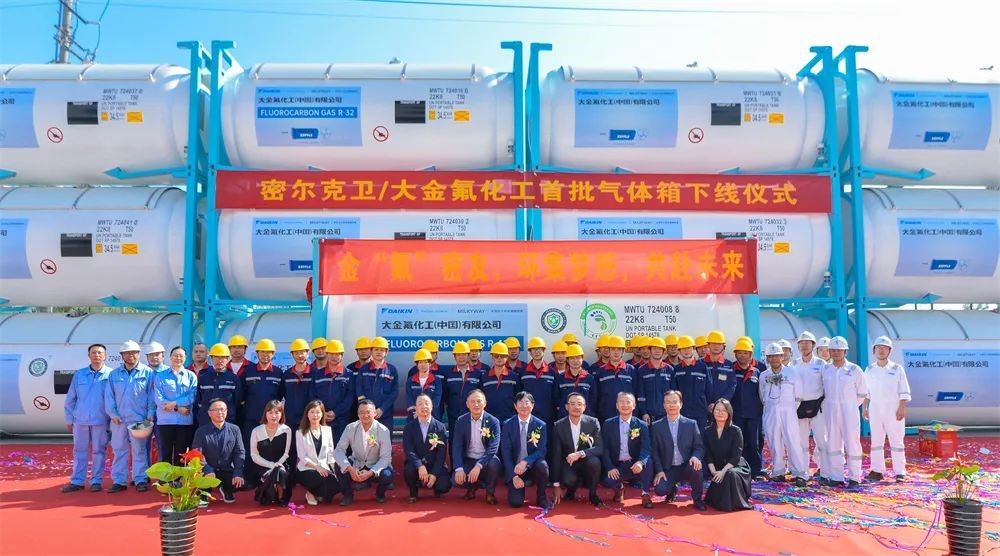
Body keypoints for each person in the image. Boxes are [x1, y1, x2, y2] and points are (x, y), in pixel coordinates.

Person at [105, 340, 156, 493]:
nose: (131, 355)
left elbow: (151, 395)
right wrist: (113, 414)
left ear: (139, 354)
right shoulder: (114, 374)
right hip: (119, 420)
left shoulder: (147, 373)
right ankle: (119, 481)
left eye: (134, 352)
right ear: (122, 355)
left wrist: (150, 414)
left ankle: (140, 479)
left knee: (139, 450)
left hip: (139, 419)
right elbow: (109, 396)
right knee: (119, 450)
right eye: (127, 353)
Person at [62, 343, 112, 493]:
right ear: (88, 355)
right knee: (79, 451)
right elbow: (71, 398)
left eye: (100, 353)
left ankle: (96, 481)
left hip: (101, 420)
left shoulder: (111, 375)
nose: (97, 355)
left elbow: (114, 400)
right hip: (80, 420)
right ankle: (77, 481)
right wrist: (69, 418)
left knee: (99, 452)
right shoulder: (80, 374)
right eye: (94, 352)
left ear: (105, 356)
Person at [759, 343, 808, 487]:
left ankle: (800, 473)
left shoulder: (792, 373)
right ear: (767, 358)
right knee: (774, 442)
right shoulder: (763, 375)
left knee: (793, 442)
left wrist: (789, 409)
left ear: (782, 356)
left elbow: (798, 396)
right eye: (771, 356)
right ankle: (778, 472)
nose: (774, 359)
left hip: (789, 412)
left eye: (777, 356)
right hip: (770, 413)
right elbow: (762, 396)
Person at [864, 336, 911, 483]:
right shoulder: (869, 369)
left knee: (897, 441)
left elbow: (904, 391)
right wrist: (865, 408)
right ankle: (877, 470)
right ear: (874, 350)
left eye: (884, 348)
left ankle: (900, 472)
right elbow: (866, 392)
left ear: (889, 351)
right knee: (876, 441)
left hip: (893, 410)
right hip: (875, 410)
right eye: (878, 347)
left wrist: (901, 408)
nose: (881, 350)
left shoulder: (897, 369)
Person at [822, 336, 868, 488]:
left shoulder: (854, 370)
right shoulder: (825, 369)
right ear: (829, 351)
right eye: (833, 350)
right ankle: (836, 477)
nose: (836, 353)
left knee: (852, 443)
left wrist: (850, 406)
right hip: (830, 411)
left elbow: (862, 392)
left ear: (845, 352)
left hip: (849, 412)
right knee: (833, 443)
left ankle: (855, 478)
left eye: (839, 350)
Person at [650, 390, 706, 510]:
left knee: (697, 466)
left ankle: (697, 499)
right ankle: (672, 489)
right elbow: (654, 452)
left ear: (681, 404)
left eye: (675, 402)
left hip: (687, 465)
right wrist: (659, 471)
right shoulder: (656, 426)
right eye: (668, 402)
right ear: (664, 405)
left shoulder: (691, 424)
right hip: (669, 468)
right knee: (660, 490)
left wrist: (695, 457)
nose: (671, 405)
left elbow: (699, 447)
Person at [334, 399, 394, 505]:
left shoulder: (383, 430)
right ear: (357, 414)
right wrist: (349, 468)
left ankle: (380, 493)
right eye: (361, 412)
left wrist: (371, 472)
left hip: (375, 464)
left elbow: (385, 458)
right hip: (357, 463)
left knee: (387, 475)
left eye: (368, 412)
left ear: (374, 413)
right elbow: (339, 450)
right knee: (339, 466)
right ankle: (348, 495)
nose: (365, 415)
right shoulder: (350, 428)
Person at [601, 392, 653, 509]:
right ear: (617, 405)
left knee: (648, 462)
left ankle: (645, 493)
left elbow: (646, 448)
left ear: (634, 406)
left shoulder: (641, 425)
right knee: (607, 481)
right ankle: (619, 489)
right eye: (621, 402)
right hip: (618, 465)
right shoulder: (608, 424)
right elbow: (605, 448)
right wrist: (610, 467)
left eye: (628, 402)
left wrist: (640, 462)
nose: (625, 405)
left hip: (634, 464)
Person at [550, 392, 604, 506]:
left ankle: (593, 494)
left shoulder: (593, 422)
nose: (576, 407)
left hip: (586, 461)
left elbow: (600, 448)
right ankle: (571, 489)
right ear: (566, 407)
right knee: (569, 480)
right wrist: (556, 485)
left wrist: (580, 453)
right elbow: (556, 455)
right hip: (569, 463)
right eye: (572, 404)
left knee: (595, 462)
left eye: (579, 404)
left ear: (584, 407)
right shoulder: (558, 426)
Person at [241, 338, 283, 478]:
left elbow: (280, 395)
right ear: (257, 353)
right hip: (251, 419)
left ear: (273, 354)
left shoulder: (278, 373)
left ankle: (268, 477)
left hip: (271, 421)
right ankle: (249, 478)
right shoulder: (248, 372)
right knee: (250, 448)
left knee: (269, 449)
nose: (265, 355)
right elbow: (242, 394)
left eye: (268, 352)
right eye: (262, 352)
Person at [500, 392, 551, 509]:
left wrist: (526, 461)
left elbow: (542, 450)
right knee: (515, 503)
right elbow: (506, 453)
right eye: (520, 402)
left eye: (527, 402)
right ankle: (516, 483)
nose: (524, 406)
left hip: (532, 466)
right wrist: (513, 476)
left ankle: (541, 495)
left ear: (532, 405)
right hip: (516, 468)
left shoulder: (540, 425)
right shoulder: (508, 424)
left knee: (543, 465)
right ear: (515, 406)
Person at [452, 389, 502, 505]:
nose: (476, 404)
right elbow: (457, 446)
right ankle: (472, 486)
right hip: (469, 459)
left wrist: (479, 465)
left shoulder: (493, 421)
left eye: (479, 401)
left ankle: (490, 492)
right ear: (467, 404)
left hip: (486, 460)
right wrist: (459, 468)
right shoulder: (461, 421)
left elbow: (493, 448)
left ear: (485, 403)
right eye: (472, 401)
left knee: (494, 463)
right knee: (455, 480)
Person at [192, 398, 245, 504]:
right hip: (206, 470)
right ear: (209, 413)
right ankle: (204, 492)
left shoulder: (235, 429)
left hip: (226, 469)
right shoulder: (201, 431)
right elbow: (197, 454)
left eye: (222, 409)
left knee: (241, 482)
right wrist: (208, 470)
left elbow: (239, 452)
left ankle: (226, 489)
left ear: (226, 411)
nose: (220, 412)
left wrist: (238, 472)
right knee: (201, 476)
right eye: (216, 410)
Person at [702, 399, 752, 511]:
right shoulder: (707, 431)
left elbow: (736, 456)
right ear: (713, 412)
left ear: (729, 413)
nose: (720, 413)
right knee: (724, 476)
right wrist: (714, 472)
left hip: (736, 466)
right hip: (717, 468)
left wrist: (723, 471)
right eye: (717, 410)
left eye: (724, 410)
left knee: (730, 474)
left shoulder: (736, 431)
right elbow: (708, 454)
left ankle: (734, 503)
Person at [402, 394, 452, 503]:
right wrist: (420, 466)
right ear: (416, 408)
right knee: (409, 470)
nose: (424, 406)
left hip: (434, 464)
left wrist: (434, 474)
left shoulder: (440, 427)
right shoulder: (409, 428)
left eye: (427, 403)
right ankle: (414, 492)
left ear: (432, 407)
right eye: (420, 404)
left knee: (444, 484)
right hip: (417, 465)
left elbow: (441, 454)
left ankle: (436, 488)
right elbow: (409, 450)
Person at [155, 346, 198, 466]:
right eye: (175, 355)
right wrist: (177, 408)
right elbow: (159, 399)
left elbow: (192, 396)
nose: (178, 358)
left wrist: (174, 403)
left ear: (185, 358)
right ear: (170, 357)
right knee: (165, 453)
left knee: (181, 454)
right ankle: (166, 477)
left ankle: (179, 477)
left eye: (181, 356)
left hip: (184, 421)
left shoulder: (191, 376)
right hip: (165, 421)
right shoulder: (160, 376)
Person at [793, 331, 828, 479]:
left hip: (818, 408)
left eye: (808, 343)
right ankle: (803, 474)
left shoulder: (821, 364)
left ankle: (825, 472)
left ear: (813, 345)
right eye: (802, 343)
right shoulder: (794, 364)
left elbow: (827, 386)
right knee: (802, 443)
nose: (804, 346)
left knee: (822, 441)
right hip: (799, 408)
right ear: (798, 346)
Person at [730, 338, 765, 479]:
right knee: (738, 443)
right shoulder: (731, 370)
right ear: (735, 354)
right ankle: (739, 469)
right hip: (736, 414)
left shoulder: (757, 372)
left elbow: (762, 393)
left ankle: (755, 471)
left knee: (753, 443)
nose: (742, 356)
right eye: (740, 353)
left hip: (753, 415)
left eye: (746, 353)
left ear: (750, 355)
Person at [296, 400, 340, 505]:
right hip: (307, 469)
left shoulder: (327, 430)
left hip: (324, 468)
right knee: (318, 477)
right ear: (307, 414)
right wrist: (317, 467)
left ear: (322, 414)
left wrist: (333, 468)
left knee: (337, 483)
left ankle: (320, 493)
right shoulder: (300, 432)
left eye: (318, 412)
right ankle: (310, 492)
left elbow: (330, 451)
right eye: (312, 412)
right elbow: (302, 456)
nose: (315, 415)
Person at [310, 339, 355, 443]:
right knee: (322, 449)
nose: (334, 357)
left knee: (340, 449)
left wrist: (335, 412)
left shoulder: (348, 374)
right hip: (321, 420)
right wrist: (322, 412)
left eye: (337, 354)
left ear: (342, 355)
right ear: (327, 354)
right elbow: (313, 395)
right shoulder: (318, 374)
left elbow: (350, 397)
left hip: (342, 421)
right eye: (331, 354)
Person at [250, 400, 292, 505]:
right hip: (262, 467)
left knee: (280, 472)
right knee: (265, 501)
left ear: (281, 414)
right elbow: (254, 455)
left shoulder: (286, 430)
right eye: (270, 413)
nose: (274, 416)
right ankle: (267, 493)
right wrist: (271, 465)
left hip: (281, 464)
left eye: (277, 413)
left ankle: (280, 496)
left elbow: (286, 453)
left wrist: (277, 465)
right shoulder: (256, 431)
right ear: (265, 414)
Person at [670, 336, 714, 430]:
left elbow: (709, 389)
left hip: (700, 412)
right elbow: (674, 391)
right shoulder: (677, 369)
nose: (686, 351)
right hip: (683, 412)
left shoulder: (703, 367)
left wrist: (707, 405)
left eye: (689, 348)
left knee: (700, 437)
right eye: (683, 348)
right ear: (679, 351)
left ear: (693, 349)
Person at [356, 337, 398, 432]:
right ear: (371, 351)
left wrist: (382, 409)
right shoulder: (364, 369)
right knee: (367, 440)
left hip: (385, 415)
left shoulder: (392, 370)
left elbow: (394, 393)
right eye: (376, 349)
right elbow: (359, 390)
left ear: (386, 352)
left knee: (385, 440)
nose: (379, 352)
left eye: (382, 350)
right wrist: (367, 409)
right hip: (366, 416)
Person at [195, 343, 242, 427]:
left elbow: (237, 402)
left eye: (222, 357)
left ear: (227, 359)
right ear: (211, 358)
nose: (219, 361)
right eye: (216, 357)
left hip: (227, 422)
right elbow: (198, 401)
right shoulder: (203, 378)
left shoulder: (234, 379)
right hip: (206, 422)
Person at [444, 341, 483, 437]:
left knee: (472, 440)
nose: (461, 357)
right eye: (458, 355)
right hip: (453, 416)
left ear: (468, 355)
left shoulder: (477, 374)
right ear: (454, 356)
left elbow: (481, 395)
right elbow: (445, 395)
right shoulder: (448, 374)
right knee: (454, 440)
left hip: (473, 415)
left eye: (464, 354)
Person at [594, 336, 638, 422]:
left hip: (628, 417)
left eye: (619, 349)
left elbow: (636, 394)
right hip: (606, 417)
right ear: (609, 351)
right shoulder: (600, 372)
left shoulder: (631, 370)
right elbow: (597, 396)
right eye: (613, 349)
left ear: (623, 352)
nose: (616, 352)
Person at [553, 343, 597, 420]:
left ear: (582, 359)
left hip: (585, 419)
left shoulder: (590, 378)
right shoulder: (560, 378)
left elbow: (593, 400)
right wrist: (563, 410)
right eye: (572, 358)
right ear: (567, 360)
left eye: (578, 358)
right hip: (565, 419)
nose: (575, 361)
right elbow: (556, 399)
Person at [481, 342, 520, 424]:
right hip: (489, 419)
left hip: (510, 419)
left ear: (507, 357)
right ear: (492, 357)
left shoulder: (513, 376)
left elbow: (518, 397)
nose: (499, 358)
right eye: (496, 356)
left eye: (502, 356)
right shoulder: (484, 377)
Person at [519, 337, 556, 425]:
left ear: (544, 350)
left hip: (548, 418)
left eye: (539, 349)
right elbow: (518, 394)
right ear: (530, 352)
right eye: (534, 349)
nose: (537, 352)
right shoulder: (523, 372)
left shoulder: (552, 372)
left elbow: (555, 396)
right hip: (528, 417)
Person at [637, 337, 673, 426]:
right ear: (650, 350)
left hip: (666, 415)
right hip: (649, 417)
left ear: (663, 351)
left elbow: (673, 394)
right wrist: (644, 413)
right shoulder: (642, 370)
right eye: (654, 348)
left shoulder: (670, 370)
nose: (657, 351)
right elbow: (641, 395)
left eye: (660, 349)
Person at [282, 338, 316, 432]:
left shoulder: (315, 373)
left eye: (302, 352)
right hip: (290, 420)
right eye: (296, 353)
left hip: (309, 419)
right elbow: (283, 394)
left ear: (307, 353)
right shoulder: (286, 375)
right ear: (292, 355)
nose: (300, 355)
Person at [406, 349, 443, 422]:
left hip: (432, 418)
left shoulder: (436, 380)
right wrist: (417, 413)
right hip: (414, 418)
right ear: (416, 364)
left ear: (430, 364)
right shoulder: (410, 380)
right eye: (420, 362)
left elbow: (436, 401)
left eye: (425, 362)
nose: (423, 365)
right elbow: (409, 400)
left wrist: (424, 413)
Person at [704, 331, 737, 413]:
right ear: (708, 345)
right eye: (713, 343)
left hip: (722, 409)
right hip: (703, 409)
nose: (716, 346)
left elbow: (732, 386)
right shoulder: (700, 364)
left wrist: (720, 404)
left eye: (719, 344)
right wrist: (706, 404)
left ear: (723, 346)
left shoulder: (728, 365)